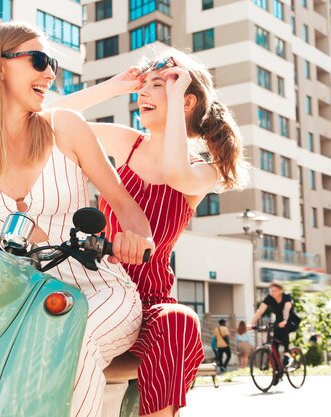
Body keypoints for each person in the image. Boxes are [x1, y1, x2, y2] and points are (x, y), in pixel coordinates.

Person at [0, 22, 156, 417]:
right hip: (13, 295)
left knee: (70, 337)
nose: (50, 73)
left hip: (96, 289)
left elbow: (122, 202)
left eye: (51, 63)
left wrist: (136, 237)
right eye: (38, 60)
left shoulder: (65, 127)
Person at [52, 50, 248, 417]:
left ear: (186, 99)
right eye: (142, 87)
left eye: (156, 86)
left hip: (149, 302)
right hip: (93, 287)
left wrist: (175, 96)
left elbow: (174, 172)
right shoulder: (127, 143)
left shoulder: (205, 171)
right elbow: (48, 122)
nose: (142, 94)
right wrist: (112, 87)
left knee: (179, 322)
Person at [249, 282, 295, 364]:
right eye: (272, 291)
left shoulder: (286, 296)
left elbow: (286, 310)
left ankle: (287, 354)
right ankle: (277, 369)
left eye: (276, 291)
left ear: (281, 291)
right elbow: (260, 311)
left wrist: (285, 320)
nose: (273, 293)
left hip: (289, 319)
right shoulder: (269, 298)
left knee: (284, 330)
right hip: (278, 320)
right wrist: (252, 323)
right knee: (274, 343)